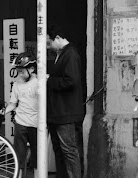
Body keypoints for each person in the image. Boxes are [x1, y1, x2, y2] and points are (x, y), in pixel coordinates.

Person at [47, 25, 84, 178]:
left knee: (68, 151)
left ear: (57, 38)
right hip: (59, 112)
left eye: (49, 43)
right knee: (61, 151)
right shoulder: (63, 54)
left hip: (66, 113)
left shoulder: (70, 54)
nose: (48, 47)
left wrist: (49, 80)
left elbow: (71, 81)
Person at [5, 52, 38, 178]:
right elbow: (13, 103)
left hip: (36, 124)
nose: (20, 74)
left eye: (22, 71)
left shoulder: (39, 82)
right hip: (20, 123)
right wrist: (4, 112)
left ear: (31, 69)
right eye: (18, 71)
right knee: (19, 155)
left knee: (37, 156)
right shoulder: (17, 84)